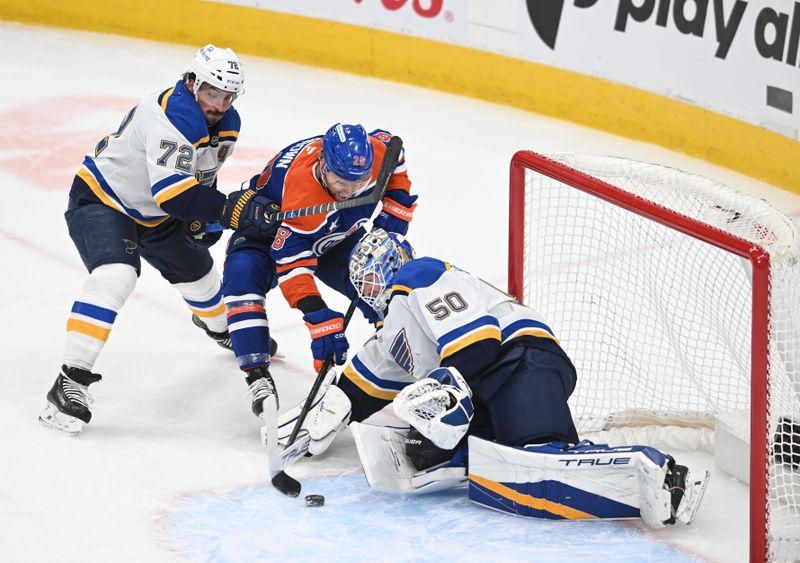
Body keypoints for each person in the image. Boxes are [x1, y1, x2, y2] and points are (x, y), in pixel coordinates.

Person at [275, 229, 709, 529]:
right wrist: (321, 417)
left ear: (393, 263)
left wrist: (439, 389)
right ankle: (486, 452)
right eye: (362, 282)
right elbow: (359, 388)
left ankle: (660, 474)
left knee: (535, 460)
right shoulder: (390, 331)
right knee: (488, 468)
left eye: (373, 275)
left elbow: (479, 344)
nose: (368, 287)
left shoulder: (421, 275)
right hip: (488, 382)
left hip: (521, 361)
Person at [39, 45, 278, 436]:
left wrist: (205, 219)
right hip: (104, 201)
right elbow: (174, 195)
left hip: (159, 212)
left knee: (204, 284)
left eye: (228, 96)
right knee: (116, 276)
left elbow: (199, 177)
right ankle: (70, 380)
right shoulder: (172, 115)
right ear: (192, 82)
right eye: (212, 93)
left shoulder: (227, 121)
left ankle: (222, 329)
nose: (219, 104)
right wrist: (227, 210)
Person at [220, 123, 416, 420]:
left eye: (359, 182)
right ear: (323, 164)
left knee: (380, 276)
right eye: (341, 182)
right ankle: (257, 378)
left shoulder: (375, 155)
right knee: (241, 283)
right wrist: (318, 316)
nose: (349, 191)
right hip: (268, 234)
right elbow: (293, 266)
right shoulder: (301, 191)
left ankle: (404, 351)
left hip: (332, 234)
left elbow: (395, 155)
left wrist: (395, 207)